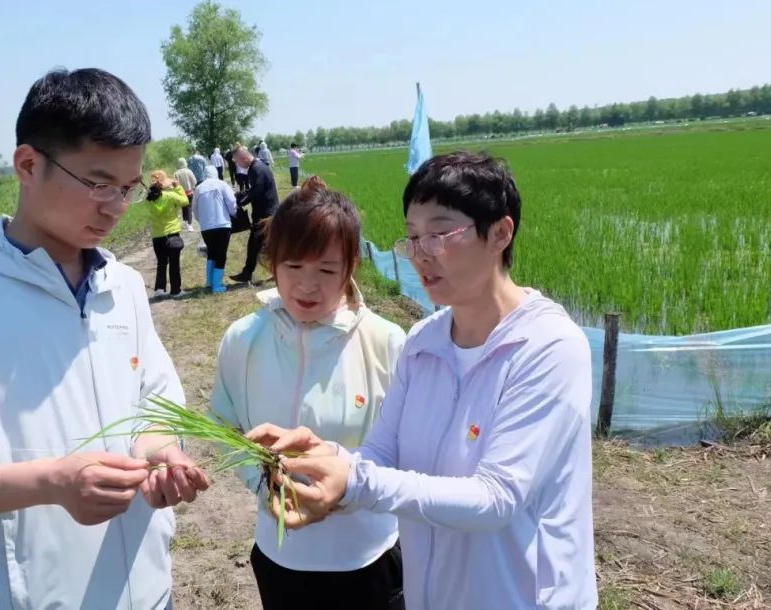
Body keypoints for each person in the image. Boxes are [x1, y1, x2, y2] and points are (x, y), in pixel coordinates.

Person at [0, 67, 210, 610]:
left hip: (148, 592)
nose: (116, 207)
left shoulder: (119, 286)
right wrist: (51, 482)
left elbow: (156, 401)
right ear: (29, 165)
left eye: (127, 187)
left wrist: (160, 452)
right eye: (98, 184)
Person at [247, 152, 598, 610]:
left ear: (499, 233)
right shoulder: (423, 342)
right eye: (413, 237)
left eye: (440, 233)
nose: (421, 254)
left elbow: (496, 497)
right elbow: (380, 455)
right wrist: (322, 454)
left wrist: (353, 483)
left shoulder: (548, 347)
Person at [211, 176, 407, 610]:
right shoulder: (243, 339)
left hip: (368, 557)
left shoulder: (386, 342)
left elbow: (408, 449)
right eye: (293, 267)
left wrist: (344, 487)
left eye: (326, 270)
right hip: (282, 556)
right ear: (273, 262)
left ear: (351, 265)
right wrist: (265, 487)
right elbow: (225, 425)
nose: (307, 285)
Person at [230, 146, 279, 285]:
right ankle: (249, 273)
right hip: (266, 213)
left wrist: (241, 201)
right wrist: (240, 196)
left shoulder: (256, 168)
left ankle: (248, 273)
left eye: (237, 162)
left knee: (258, 244)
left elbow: (257, 191)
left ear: (244, 158)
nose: (238, 165)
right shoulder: (256, 167)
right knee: (261, 245)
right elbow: (255, 189)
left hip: (266, 214)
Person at [191, 162, 236, 294]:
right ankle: (217, 286)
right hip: (222, 225)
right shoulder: (222, 184)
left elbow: (195, 209)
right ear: (215, 173)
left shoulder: (199, 188)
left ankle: (209, 281)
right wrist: (234, 213)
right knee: (221, 255)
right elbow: (231, 202)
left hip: (206, 228)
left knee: (211, 253)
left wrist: (202, 220)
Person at [146, 170, 190, 298]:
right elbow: (185, 201)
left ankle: (159, 289)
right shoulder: (170, 196)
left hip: (157, 235)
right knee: (174, 262)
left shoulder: (149, 199)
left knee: (161, 262)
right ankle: (176, 290)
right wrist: (178, 187)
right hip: (172, 233)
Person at [173, 158, 197, 231]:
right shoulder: (189, 171)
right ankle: (189, 224)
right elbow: (194, 181)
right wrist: (193, 187)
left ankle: (186, 221)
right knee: (189, 207)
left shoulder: (176, 173)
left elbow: (174, 184)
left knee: (184, 207)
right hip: (189, 192)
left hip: (181, 193)